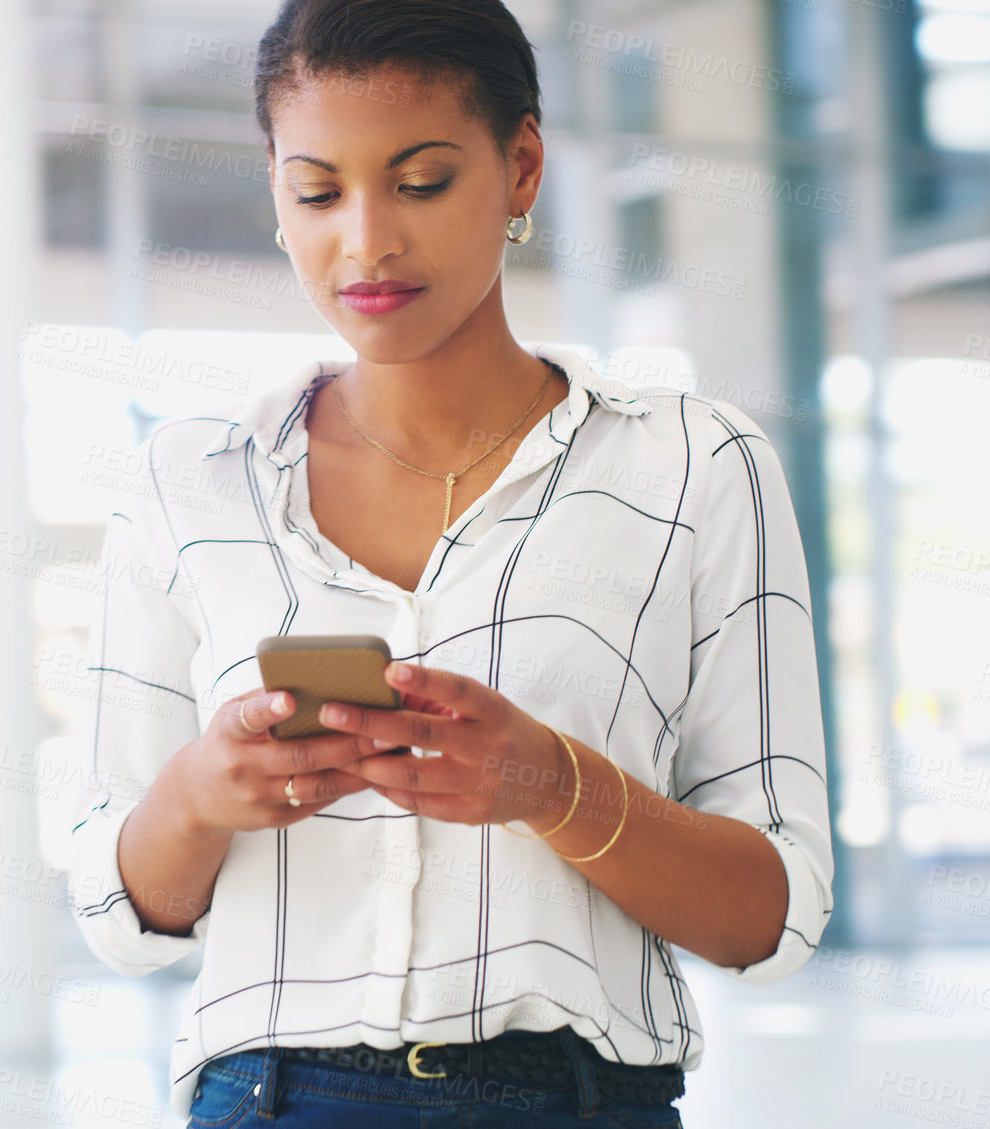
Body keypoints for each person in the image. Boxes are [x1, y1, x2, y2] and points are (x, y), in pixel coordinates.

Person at [63, 1, 835, 1126]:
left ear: (520, 167)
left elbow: (770, 914)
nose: (364, 242)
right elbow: (114, 910)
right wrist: (198, 793)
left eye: (419, 181)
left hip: (574, 1098)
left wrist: (547, 783)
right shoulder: (189, 479)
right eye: (316, 192)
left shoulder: (693, 464)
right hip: (267, 1096)